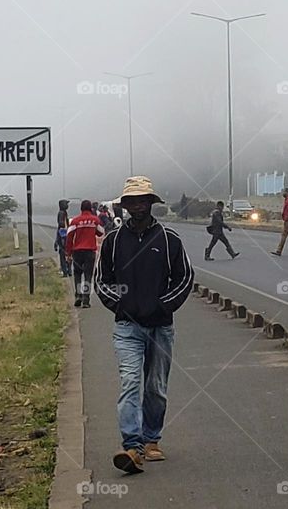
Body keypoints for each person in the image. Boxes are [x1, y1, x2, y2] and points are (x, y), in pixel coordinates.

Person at [94, 175, 194, 475]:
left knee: (155, 388)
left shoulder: (168, 240)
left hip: (161, 328)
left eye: (142, 200)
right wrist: (123, 305)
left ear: (151, 203)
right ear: (124, 206)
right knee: (130, 384)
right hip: (127, 328)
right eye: (131, 201)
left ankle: (152, 440)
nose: (137, 206)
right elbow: (102, 282)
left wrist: (162, 305)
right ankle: (132, 446)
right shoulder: (113, 241)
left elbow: (185, 278)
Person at [65, 199, 105, 308]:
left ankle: (78, 296)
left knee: (77, 274)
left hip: (77, 252)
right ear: (91, 208)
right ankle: (86, 301)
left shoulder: (75, 221)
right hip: (90, 252)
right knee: (88, 275)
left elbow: (69, 237)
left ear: (81, 208)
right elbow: (101, 232)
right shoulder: (95, 220)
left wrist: (68, 254)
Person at [56, 199, 71, 277]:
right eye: (66, 204)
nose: (67, 206)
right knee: (64, 254)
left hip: (65, 236)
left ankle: (68, 270)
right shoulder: (61, 213)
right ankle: (66, 271)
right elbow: (61, 225)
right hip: (63, 237)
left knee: (67, 254)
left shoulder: (64, 213)